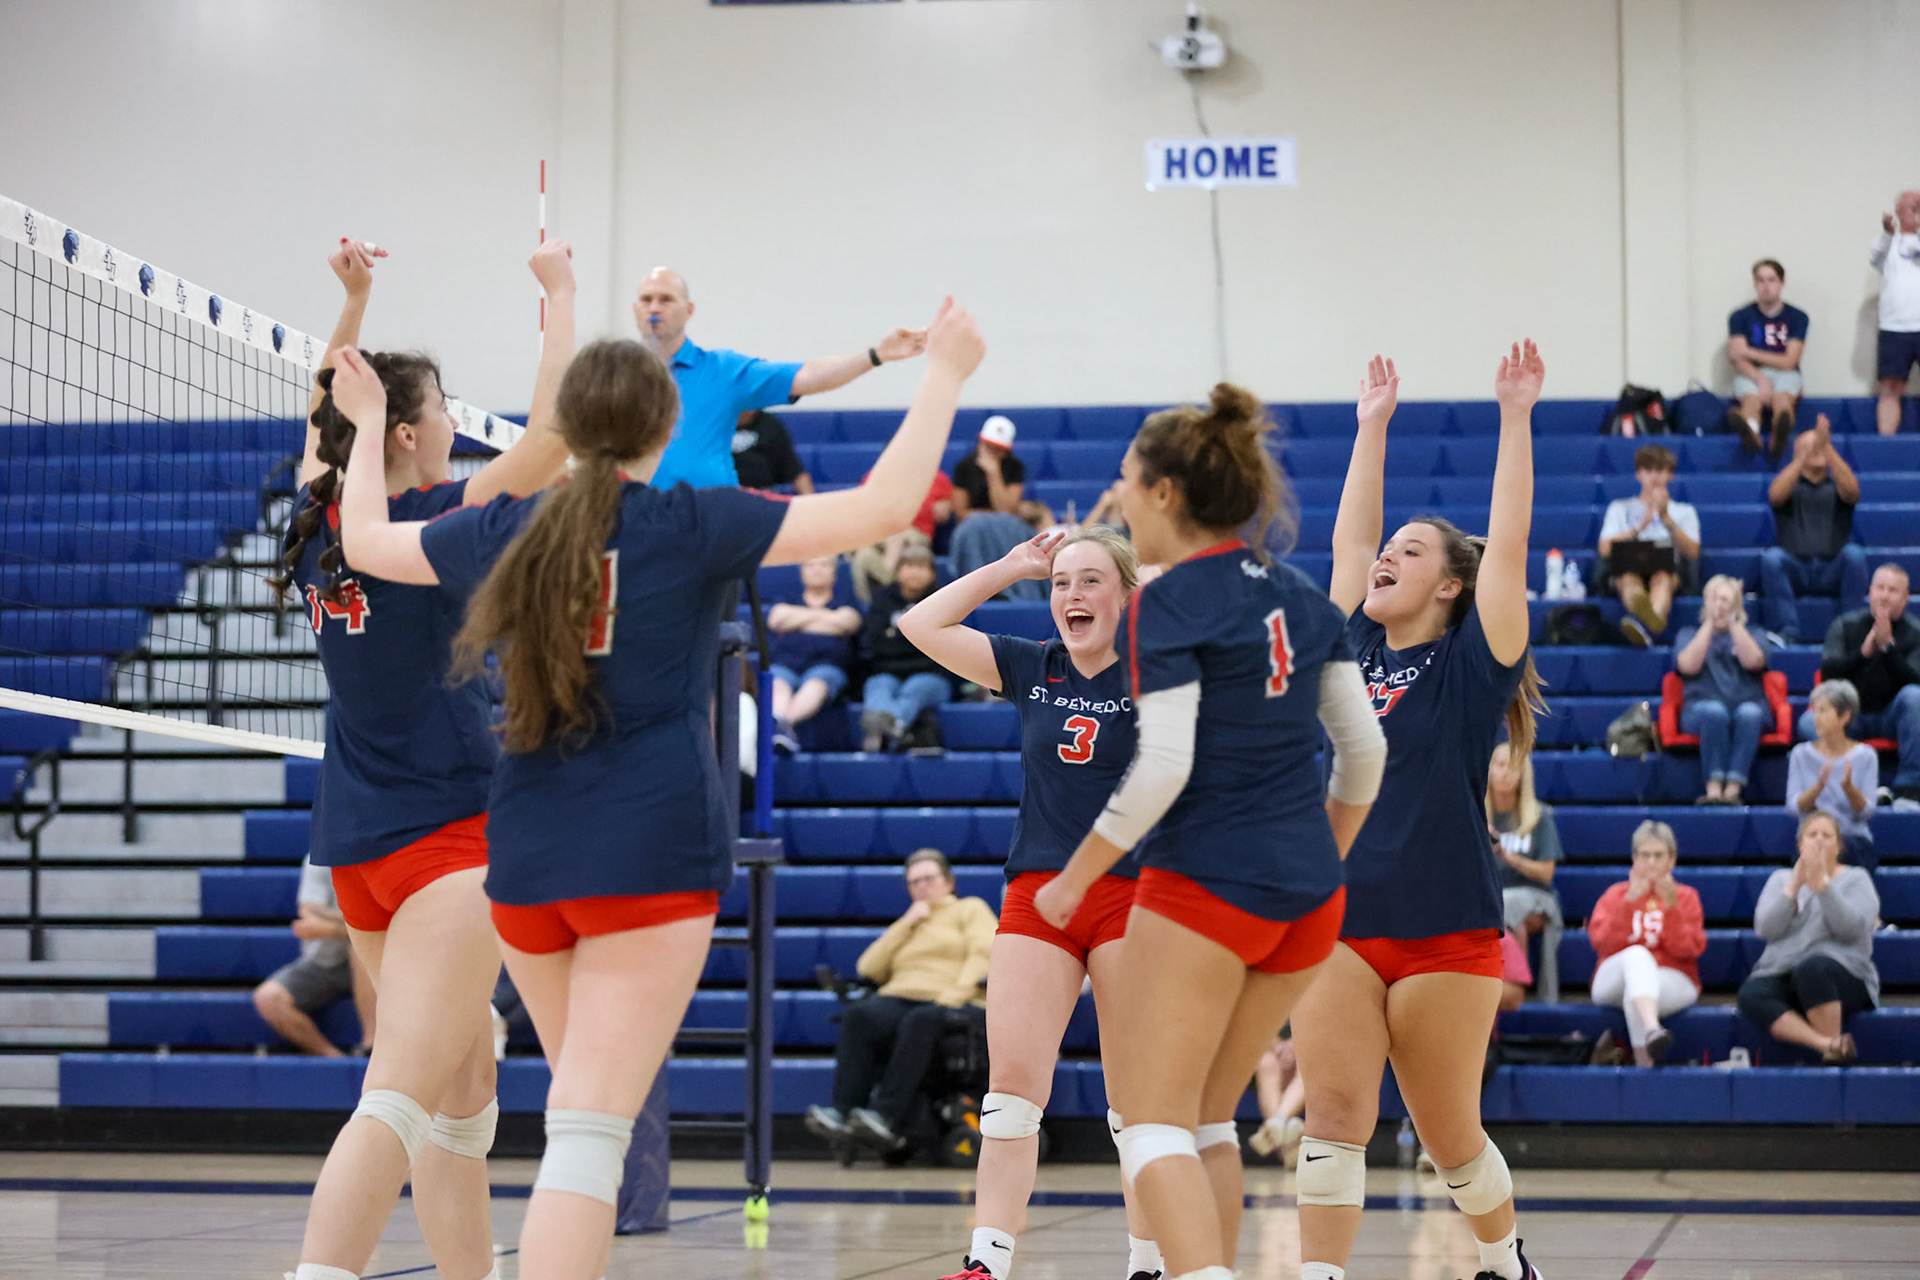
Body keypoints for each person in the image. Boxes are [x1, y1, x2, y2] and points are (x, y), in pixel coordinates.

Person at [334, 295, 985, 1280]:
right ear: (667, 424)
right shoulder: (691, 521)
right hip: (648, 853)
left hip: (527, 862)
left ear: (566, 428)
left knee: (578, 1117)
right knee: (587, 1134)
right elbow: (887, 509)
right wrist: (943, 373)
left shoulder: (502, 525)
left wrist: (364, 428)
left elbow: (364, 544)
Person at [270, 238, 580, 1280]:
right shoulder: (426, 526)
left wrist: (354, 303)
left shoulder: (318, 520)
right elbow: (554, 436)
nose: (456, 420)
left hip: (360, 848)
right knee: (399, 1097)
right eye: (444, 405)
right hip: (445, 843)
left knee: (463, 1094)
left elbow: (320, 417)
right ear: (406, 432)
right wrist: (561, 294)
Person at [1034, 383, 1389, 1280]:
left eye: (1126, 480)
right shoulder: (1304, 597)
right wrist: (1323, 857)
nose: (1117, 496)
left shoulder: (1168, 603)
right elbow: (1365, 753)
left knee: (1152, 1123)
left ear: (1166, 493)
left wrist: (1076, 877)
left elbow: (1163, 765)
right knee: (1203, 1119)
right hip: (1309, 901)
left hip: (1205, 885)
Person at [1291, 346, 1550, 1280]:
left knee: (1451, 1139)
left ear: (1449, 587)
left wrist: (1514, 417)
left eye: (1411, 552)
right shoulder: (1350, 645)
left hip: (1447, 930)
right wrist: (1371, 427)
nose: (1385, 558)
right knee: (1332, 1116)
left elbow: (1506, 549)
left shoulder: (1474, 662)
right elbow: (1348, 548)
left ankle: (1504, 1259)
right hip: (1339, 920)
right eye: (1389, 549)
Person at [895, 525, 1162, 1280]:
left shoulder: (1161, 669)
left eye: (1090, 581)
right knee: (1010, 1095)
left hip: (1132, 894)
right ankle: (986, 1262)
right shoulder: (1031, 663)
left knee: (1137, 1103)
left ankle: (1149, 1263)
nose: (1071, 595)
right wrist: (1011, 567)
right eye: (1060, 583)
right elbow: (920, 625)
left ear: (1125, 595)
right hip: (1039, 894)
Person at [633, 265, 928, 488]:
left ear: (689, 310)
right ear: (636, 309)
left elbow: (807, 375)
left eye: (665, 299)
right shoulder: (620, 376)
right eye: (646, 300)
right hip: (638, 522)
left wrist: (877, 354)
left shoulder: (722, 370)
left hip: (711, 524)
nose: (654, 308)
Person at [803, 850, 996, 1152]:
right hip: (900, 999)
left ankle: (886, 1116)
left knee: (920, 1020)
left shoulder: (969, 909)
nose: (922, 887)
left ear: (949, 882)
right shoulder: (910, 922)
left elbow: (984, 954)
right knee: (860, 1015)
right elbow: (868, 968)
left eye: (928, 879)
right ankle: (843, 1111)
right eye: (914, 882)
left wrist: (954, 995)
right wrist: (906, 922)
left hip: (951, 1001)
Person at [1736, 812, 1881, 1065]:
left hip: (1844, 974)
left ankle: (1833, 1059)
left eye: (1827, 835)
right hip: (1785, 972)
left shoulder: (1857, 878)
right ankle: (1829, 1045)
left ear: (1838, 846)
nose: (1819, 840)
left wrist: (1822, 886)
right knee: (1751, 993)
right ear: (1800, 844)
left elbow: (1850, 929)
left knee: (1812, 968)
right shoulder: (1781, 879)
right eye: (1812, 835)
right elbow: (1766, 929)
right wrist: (1793, 887)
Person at [1585, 821, 1705, 1068]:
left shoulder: (1686, 897)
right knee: (1638, 956)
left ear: (1672, 860)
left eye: (1658, 855)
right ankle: (1652, 1029)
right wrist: (1628, 903)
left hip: (1673, 978)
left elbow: (1689, 950)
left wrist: (1672, 908)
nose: (1651, 862)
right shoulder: (1615, 894)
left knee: (1636, 994)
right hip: (1612, 979)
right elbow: (1602, 944)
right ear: (1634, 858)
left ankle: (1644, 1064)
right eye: (1644, 855)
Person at [1809, 563, 1920, 807]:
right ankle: (1850, 787)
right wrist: (1863, 653)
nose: (1884, 596)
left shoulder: (1916, 632)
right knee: (1809, 723)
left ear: (1905, 598)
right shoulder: (1845, 625)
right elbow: (1828, 674)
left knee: (1915, 697)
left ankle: (1910, 789)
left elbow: (1915, 680)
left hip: (1893, 716)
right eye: (1880, 588)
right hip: (1851, 715)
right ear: (1870, 592)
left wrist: (1888, 648)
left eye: (1892, 590)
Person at [252, 856, 375, 1057]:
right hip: (322, 963)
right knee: (268, 998)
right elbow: (308, 913)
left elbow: (380, 924)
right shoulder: (319, 857)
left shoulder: (379, 855)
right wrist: (350, 924)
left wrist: (329, 926)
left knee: (359, 949)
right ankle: (334, 1059)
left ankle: (371, 1046)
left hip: (373, 961)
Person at [1760, 416, 1866, 643]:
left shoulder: (1838, 483)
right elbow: (1775, 497)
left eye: (1819, 444)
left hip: (1832, 567)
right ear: (1796, 453)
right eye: (1808, 445)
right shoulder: (1789, 484)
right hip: (1795, 567)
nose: (1815, 449)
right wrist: (1801, 460)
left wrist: (1827, 448)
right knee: (1771, 559)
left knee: (1855, 555)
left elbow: (1853, 493)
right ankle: (1788, 632)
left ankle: (1851, 631)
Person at [1671, 574, 1774, 805]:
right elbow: (1687, 665)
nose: (1719, 605)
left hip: (1747, 704)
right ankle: (1714, 790)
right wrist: (1709, 623)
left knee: (1750, 713)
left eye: (1725, 599)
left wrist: (1734, 623)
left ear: (1736, 604)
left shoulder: (1754, 633)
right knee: (1715, 712)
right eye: (1714, 599)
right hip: (1700, 709)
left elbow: (1754, 662)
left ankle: (1733, 791)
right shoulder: (1688, 634)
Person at [1596, 444, 1700, 647]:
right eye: (1648, 469)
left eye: (1660, 470)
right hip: (1627, 565)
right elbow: (1605, 548)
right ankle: (1651, 621)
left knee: (1662, 577)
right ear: (1638, 474)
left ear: (1670, 475)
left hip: (1667, 567)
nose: (1654, 476)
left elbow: (1693, 552)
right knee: (1628, 577)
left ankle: (1645, 623)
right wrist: (1639, 527)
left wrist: (1665, 518)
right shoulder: (1619, 508)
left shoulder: (1684, 511)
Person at [1486, 744, 1563, 1004]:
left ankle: (1514, 987)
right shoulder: (1477, 816)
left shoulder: (1539, 816)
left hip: (1536, 897)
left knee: (1507, 905)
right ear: (1488, 770)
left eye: (1513, 766)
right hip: (1492, 898)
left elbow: (1546, 874)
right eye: (1500, 765)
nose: (1506, 773)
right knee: (1508, 914)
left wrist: (1511, 858)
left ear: (1524, 774)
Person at [860, 543, 955, 752]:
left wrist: (895, 637)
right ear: (898, 571)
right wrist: (917, 643)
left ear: (932, 573)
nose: (914, 572)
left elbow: (946, 647)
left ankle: (886, 729)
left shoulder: (944, 601)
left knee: (914, 689)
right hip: (887, 672)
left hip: (933, 675)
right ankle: (887, 729)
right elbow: (876, 643)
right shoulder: (882, 600)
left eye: (921, 567)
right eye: (909, 566)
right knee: (879, 686)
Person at [763, 554, 861, 753]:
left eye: (824, 565)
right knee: (778, 683)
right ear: (802, 572)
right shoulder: (787, 599)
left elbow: (848, 622)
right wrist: (826, 619)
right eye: (811, 565)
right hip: (786, 664)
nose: (817, 570)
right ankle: (783, 729)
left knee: (816, 683)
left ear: (834, 573)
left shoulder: (846, 602)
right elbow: (776, 619)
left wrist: (797, 621)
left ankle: (783, 726)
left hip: (827, 666)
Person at [1787, 679, 1879, 876]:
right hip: (1813, 839)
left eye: (1823, 711)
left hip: (1852, 838)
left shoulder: (1867, 755)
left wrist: (1849, 788)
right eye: (1815, 711)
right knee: (1811, 850)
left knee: (1850, 853)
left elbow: (1866, 812)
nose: (1816, 718)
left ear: (1844, 716)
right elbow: (1794, 807)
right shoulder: (1800, 754)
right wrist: (1818, 787)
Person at [1725, 258, 1808, 460]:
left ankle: (1779, 437)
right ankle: (1751, 434)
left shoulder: (1797, 317)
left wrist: (1749, 352)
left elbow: (1790, 361)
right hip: (1751, 373)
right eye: (1761, 280)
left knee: (1782, 399)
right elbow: (1736, 358)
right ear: (1755, 283)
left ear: (1781, 283)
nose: (1766, 286)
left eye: (1771, 280)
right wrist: (1760, 378)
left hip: (1786, 373)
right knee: (1751, 400)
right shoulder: (1740, 316)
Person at [950, 415, 1042, 598]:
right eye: (989, 446)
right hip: (974, 527)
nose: (993, 452)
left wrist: (993, 473)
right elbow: (961, 512)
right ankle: (977, 589)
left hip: (1005, 525)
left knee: (1010, 527)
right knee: (975, 526)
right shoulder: (964, 467)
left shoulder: (1014, 467)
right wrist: (992, 516)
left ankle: (1014, 592)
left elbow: (1006, 509)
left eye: (999, 449)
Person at [850, 470, 952, 604]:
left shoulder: (936, 477)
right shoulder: (876, 474)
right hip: (881, 534)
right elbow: (864, 512)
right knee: (863, 555)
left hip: (916, 536)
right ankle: (868, 604)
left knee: (898, 536)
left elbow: (943, 515)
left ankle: (890, 574)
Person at [1870, 191, 1920, 437]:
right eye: (1912, 206)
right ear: (1898, 211)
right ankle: (1886, 442)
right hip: (1894, 328)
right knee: (1891, 387)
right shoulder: (1887, 242)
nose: (1916, 210)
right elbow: (1875, 258)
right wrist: (1888, 233)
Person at [1245, 1032, 1307, 1167]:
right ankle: (1282, 1130)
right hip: (1269, 1049)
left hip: (1308, 1047)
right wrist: (1276, 1046)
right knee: (1266, 1062)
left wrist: (1295, 1045)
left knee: (1307, 1063)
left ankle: (1274, 1128)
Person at [731, 408, 814, 492]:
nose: (747, 410)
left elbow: (796, 472)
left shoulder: (770, 425)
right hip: (726, 492)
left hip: (762, 492)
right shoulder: (721, 425)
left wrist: (809, 498)